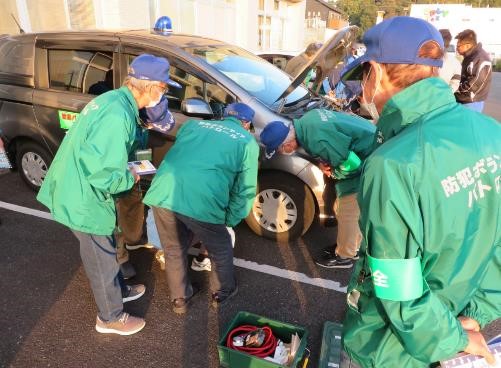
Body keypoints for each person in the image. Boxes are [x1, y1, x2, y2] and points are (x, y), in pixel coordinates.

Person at [339, 16, 500, 367]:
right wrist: (474, 316)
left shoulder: (392, 164)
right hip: (454, 320)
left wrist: (452, 337)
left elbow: (397, 286)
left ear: (376, 73)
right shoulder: (491, 132)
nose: (361, 90)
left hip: (383, 349)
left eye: (361, 77)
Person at [37, 54, 181, 336]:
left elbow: (104, 152)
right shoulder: (117, 115)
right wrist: (132, 175)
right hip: (83, 197)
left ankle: (120, 290)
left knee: (106, 247)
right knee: (100, 257)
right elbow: (104, 174)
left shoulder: (115, 100)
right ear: (151, 87)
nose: (163, 94)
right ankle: (110, 318)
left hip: (78, 184)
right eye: (164, 88)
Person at [143, 102, 259, 314]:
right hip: (203, 199)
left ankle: (180, 299)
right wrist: (230, 220)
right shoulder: (247, 142)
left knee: (173, 248)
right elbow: (245, 190)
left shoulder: (194, 125)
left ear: (224, 116)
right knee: (221, 247)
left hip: (163, 192)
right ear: (246, 123)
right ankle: (222, 293)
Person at [259, 109, 375, 269]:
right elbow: (335, 143)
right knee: (348, 209)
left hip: (369, 157)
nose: (282, 152)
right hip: (369, 144)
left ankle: (344, 257)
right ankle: (350, 245)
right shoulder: (307, 121)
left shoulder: (316, 140)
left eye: (280, 149)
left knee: (348, 210)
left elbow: (352, 163)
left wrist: (334, 173)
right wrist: (324, 161)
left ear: (288, 143)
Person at [115, 95, 177, 279]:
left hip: (132, 168)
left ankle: (132, 237)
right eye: (153, 123)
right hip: (116, 173)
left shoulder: (141, 120)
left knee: (134, 201)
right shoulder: (120, 122)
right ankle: (119, 258)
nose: (153, 127)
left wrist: (142, 166)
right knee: (114, 214)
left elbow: (139, 145)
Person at [454, 29, 492, 112]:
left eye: (458, 46)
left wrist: (456, 89)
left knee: (467, 124)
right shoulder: (469, 57)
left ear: (467, 45)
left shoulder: (480, 59)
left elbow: (474, 85)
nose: (456, 48)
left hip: (471, 102)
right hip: (463, 99)